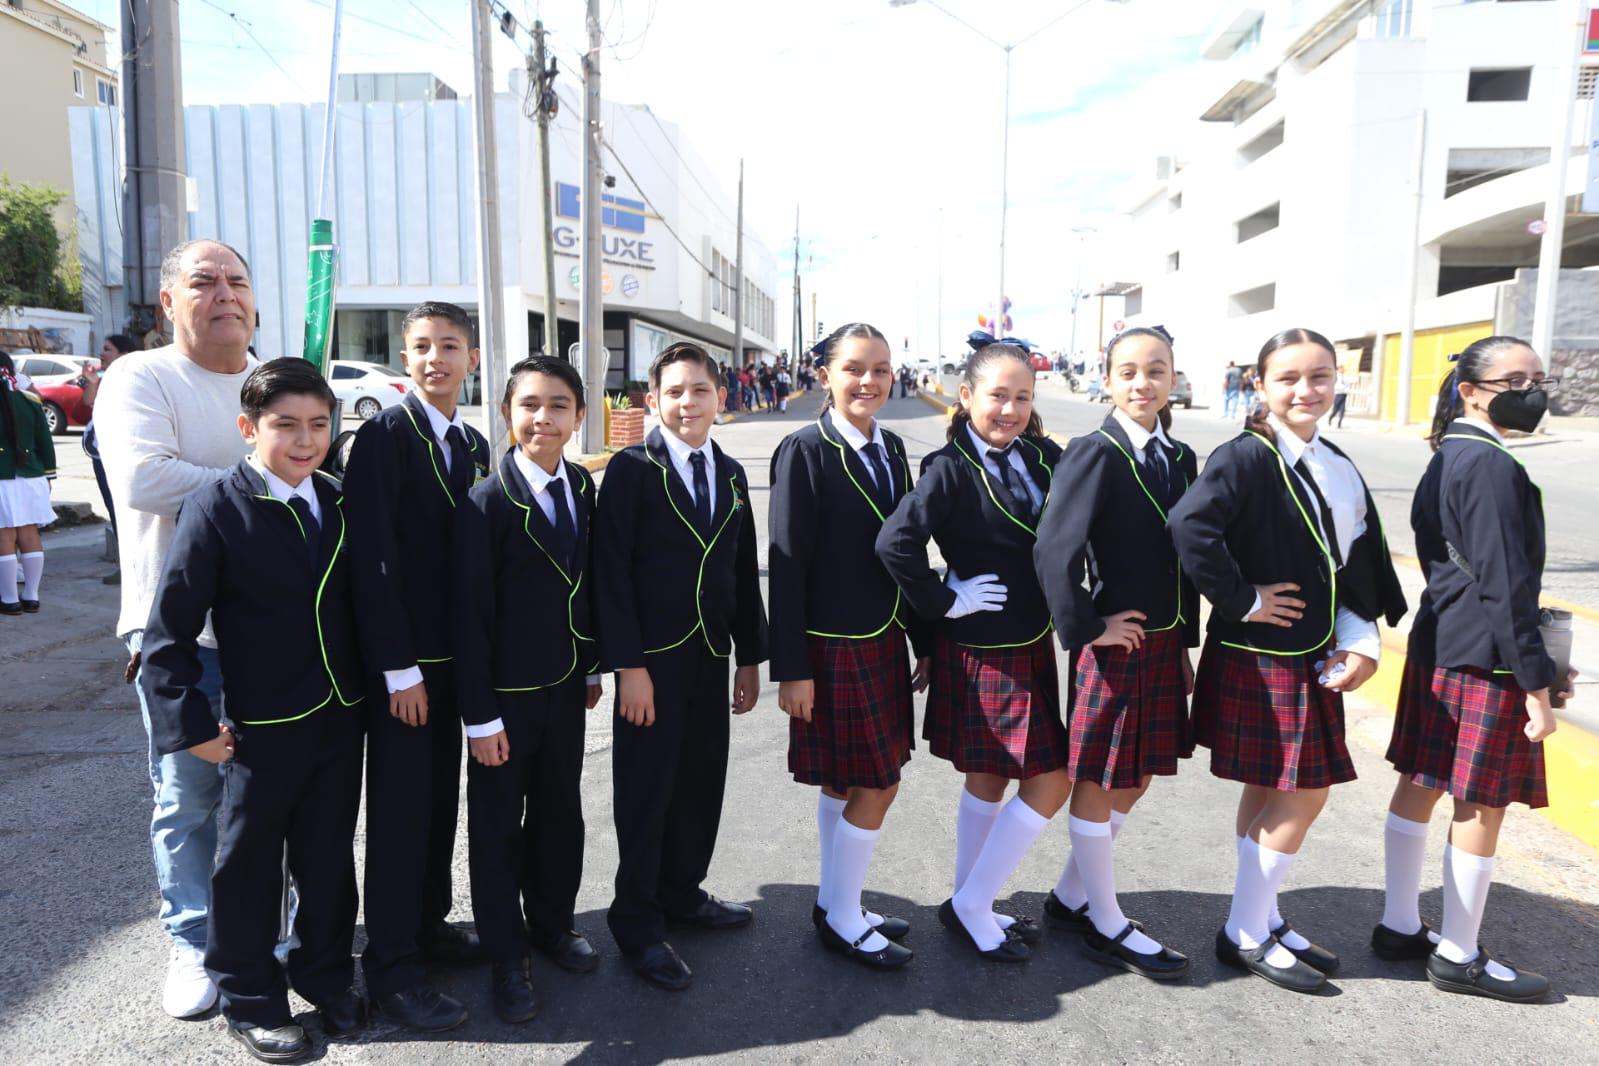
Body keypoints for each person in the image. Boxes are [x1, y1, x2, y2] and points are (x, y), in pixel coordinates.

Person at [139, 359, 367, 1062]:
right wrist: (192, 728)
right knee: (248, 867)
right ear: (248, 428)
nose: (305, 441)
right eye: (285, 426)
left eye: (319, 425)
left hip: (338, 717)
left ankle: (325, 976)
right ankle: (250, 997)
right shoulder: (218, 507)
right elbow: (167, 634)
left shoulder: (335, 500)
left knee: (328, 858)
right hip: (261, 728)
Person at [1169, 328, 1406, 995]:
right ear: (1259, 384)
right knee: (1303, 789)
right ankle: (1246, 931)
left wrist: (1359, 633)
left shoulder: (1333, 460)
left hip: (1306, 650)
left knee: (1274, 787)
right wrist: (1241, 598)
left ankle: (1256, 917)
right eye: (1288, 378)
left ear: (1336, 382)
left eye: (1320, 376)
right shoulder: (1243, 456)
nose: (1305, 391)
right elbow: (1189, 528)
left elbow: (1351, 560)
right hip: (1260, 651)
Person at [1377, 336, 1574, 1003]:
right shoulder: (1488, 464)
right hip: (1483, 654)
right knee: (1480, 802)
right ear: (1468, 389)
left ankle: (1399, 925)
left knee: (1421, 780)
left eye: (1535, 378)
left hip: (1442, 640)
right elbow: (1503, 581)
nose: (1529, 391)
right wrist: (1535, 683)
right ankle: (1457, 954)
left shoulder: (1449, 453)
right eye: (1511, 380)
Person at [93, 239, 260, 1019]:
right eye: (203, 282)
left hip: (276, 631)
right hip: (178, 634)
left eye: (237, 281)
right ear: (168, 302)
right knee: (188, 794)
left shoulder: (273, 379)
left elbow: (321, 466)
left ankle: (266, 928)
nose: (224, 294)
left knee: (271, 793)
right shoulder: (141, 376)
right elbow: (145, 479)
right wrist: (268, 483)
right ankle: (193, 941)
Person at [877, 341, 1068, 964]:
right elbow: (895, 544)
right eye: (997, 395)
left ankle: (971, 900)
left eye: (1022, 397)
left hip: (1032, 642)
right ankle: (972, 901)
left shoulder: (1042, 457)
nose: (1009, 409)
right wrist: (943, 600)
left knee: (990, 779)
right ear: (966, 396)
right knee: (1051, 780)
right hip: (983, 648)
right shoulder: (948, 467)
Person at [594, 341, 768, 991]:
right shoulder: (632, 470)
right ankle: (636, 921)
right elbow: (609, 574)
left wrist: (750, 655)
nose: (687, 402)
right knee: (645, 791)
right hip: (654, 664)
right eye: (674, 392)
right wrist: (627, 667)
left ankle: (681, 892)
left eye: (699, 390)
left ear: (720, 398)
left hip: (709, 654)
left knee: (700, 781)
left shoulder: (726, 469)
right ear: (651, 401)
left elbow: (739, 565)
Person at [342, 300, 490, 1031]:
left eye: (450, 345)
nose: (436, 358)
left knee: (438, 806)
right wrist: (397, 668)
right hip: (406, 672)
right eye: (423, 346)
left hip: (453, 661)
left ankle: (429, 927)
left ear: (470, 358)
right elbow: (370, 560)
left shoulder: (468, 441)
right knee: (400, 816)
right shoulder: (384, 436)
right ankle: (392, 968)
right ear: (406, 359)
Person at [1033, 326, 1195, 981]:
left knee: (1140, 770)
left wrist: (1184, 643)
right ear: (1106, 380)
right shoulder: (1093, 452)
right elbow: (1052, 551)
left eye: (1155, 370)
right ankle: (1105, 920)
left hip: (1161, 642)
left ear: (1173, 378)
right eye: (1127, 371)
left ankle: (1072, 896)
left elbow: (1185, 562)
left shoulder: (1179, 457)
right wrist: (1086, 625)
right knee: (1099, 775)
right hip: (1114, 645)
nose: (1141, 383)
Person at [769, 323, 929, 971]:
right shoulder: (802, 450)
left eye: (881, 369)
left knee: (845, 781)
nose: (869, 381)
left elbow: (907, 552)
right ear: (825, 375)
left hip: (884, 638)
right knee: (876, 781)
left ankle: (839, 902)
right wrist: (792, 669)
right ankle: (839, 914)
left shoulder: (890, 447)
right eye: (855, 368)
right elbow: (785, 565)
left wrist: (922, 635)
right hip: (832, 646)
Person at [453, 356, 605, 1022]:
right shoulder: (486, 501)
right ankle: (505, 953)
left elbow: (588, 584)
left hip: (565, 687)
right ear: (507, 413)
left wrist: (592, 664)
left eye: (559, 405)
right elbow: (468, 617)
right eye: (530, 405)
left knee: (558, 814)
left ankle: (551, 923)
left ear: (578, 416)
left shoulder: (579, 484)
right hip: (504, 698)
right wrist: (479, 716)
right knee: (496, 829)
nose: (543, 419)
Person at [81, 333, 140, 585]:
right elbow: (87, 402)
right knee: (113, 510)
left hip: (122, 454)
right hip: (101, 454)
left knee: (127, 510)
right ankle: (124, 566)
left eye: (108, 349)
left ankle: (134, 567)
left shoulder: (134, 379)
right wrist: (92, 382)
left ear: (124, 355)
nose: (102, 354)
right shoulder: (105, 378)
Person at [0, 349, 55, 615]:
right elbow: (45, 439)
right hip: (32, 475)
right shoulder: (29, 398)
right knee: (29, 533)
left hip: (3, 477)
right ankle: (31, 596)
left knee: (4, 536)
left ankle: (9, 599)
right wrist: (49, 474)